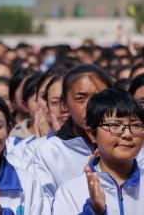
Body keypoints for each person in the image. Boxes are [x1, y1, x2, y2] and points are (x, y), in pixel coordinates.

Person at [28, 64, 113, 200]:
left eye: (99, 97)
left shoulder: (127, 144)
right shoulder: (49, 153)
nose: (90, 105)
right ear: (65, 104)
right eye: (80, 98)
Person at [53, 89, 144, 214]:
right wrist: (93, 211)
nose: (127, 134)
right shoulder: (71, 192)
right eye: (115, 126)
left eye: (136, 125)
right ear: (92, 134)